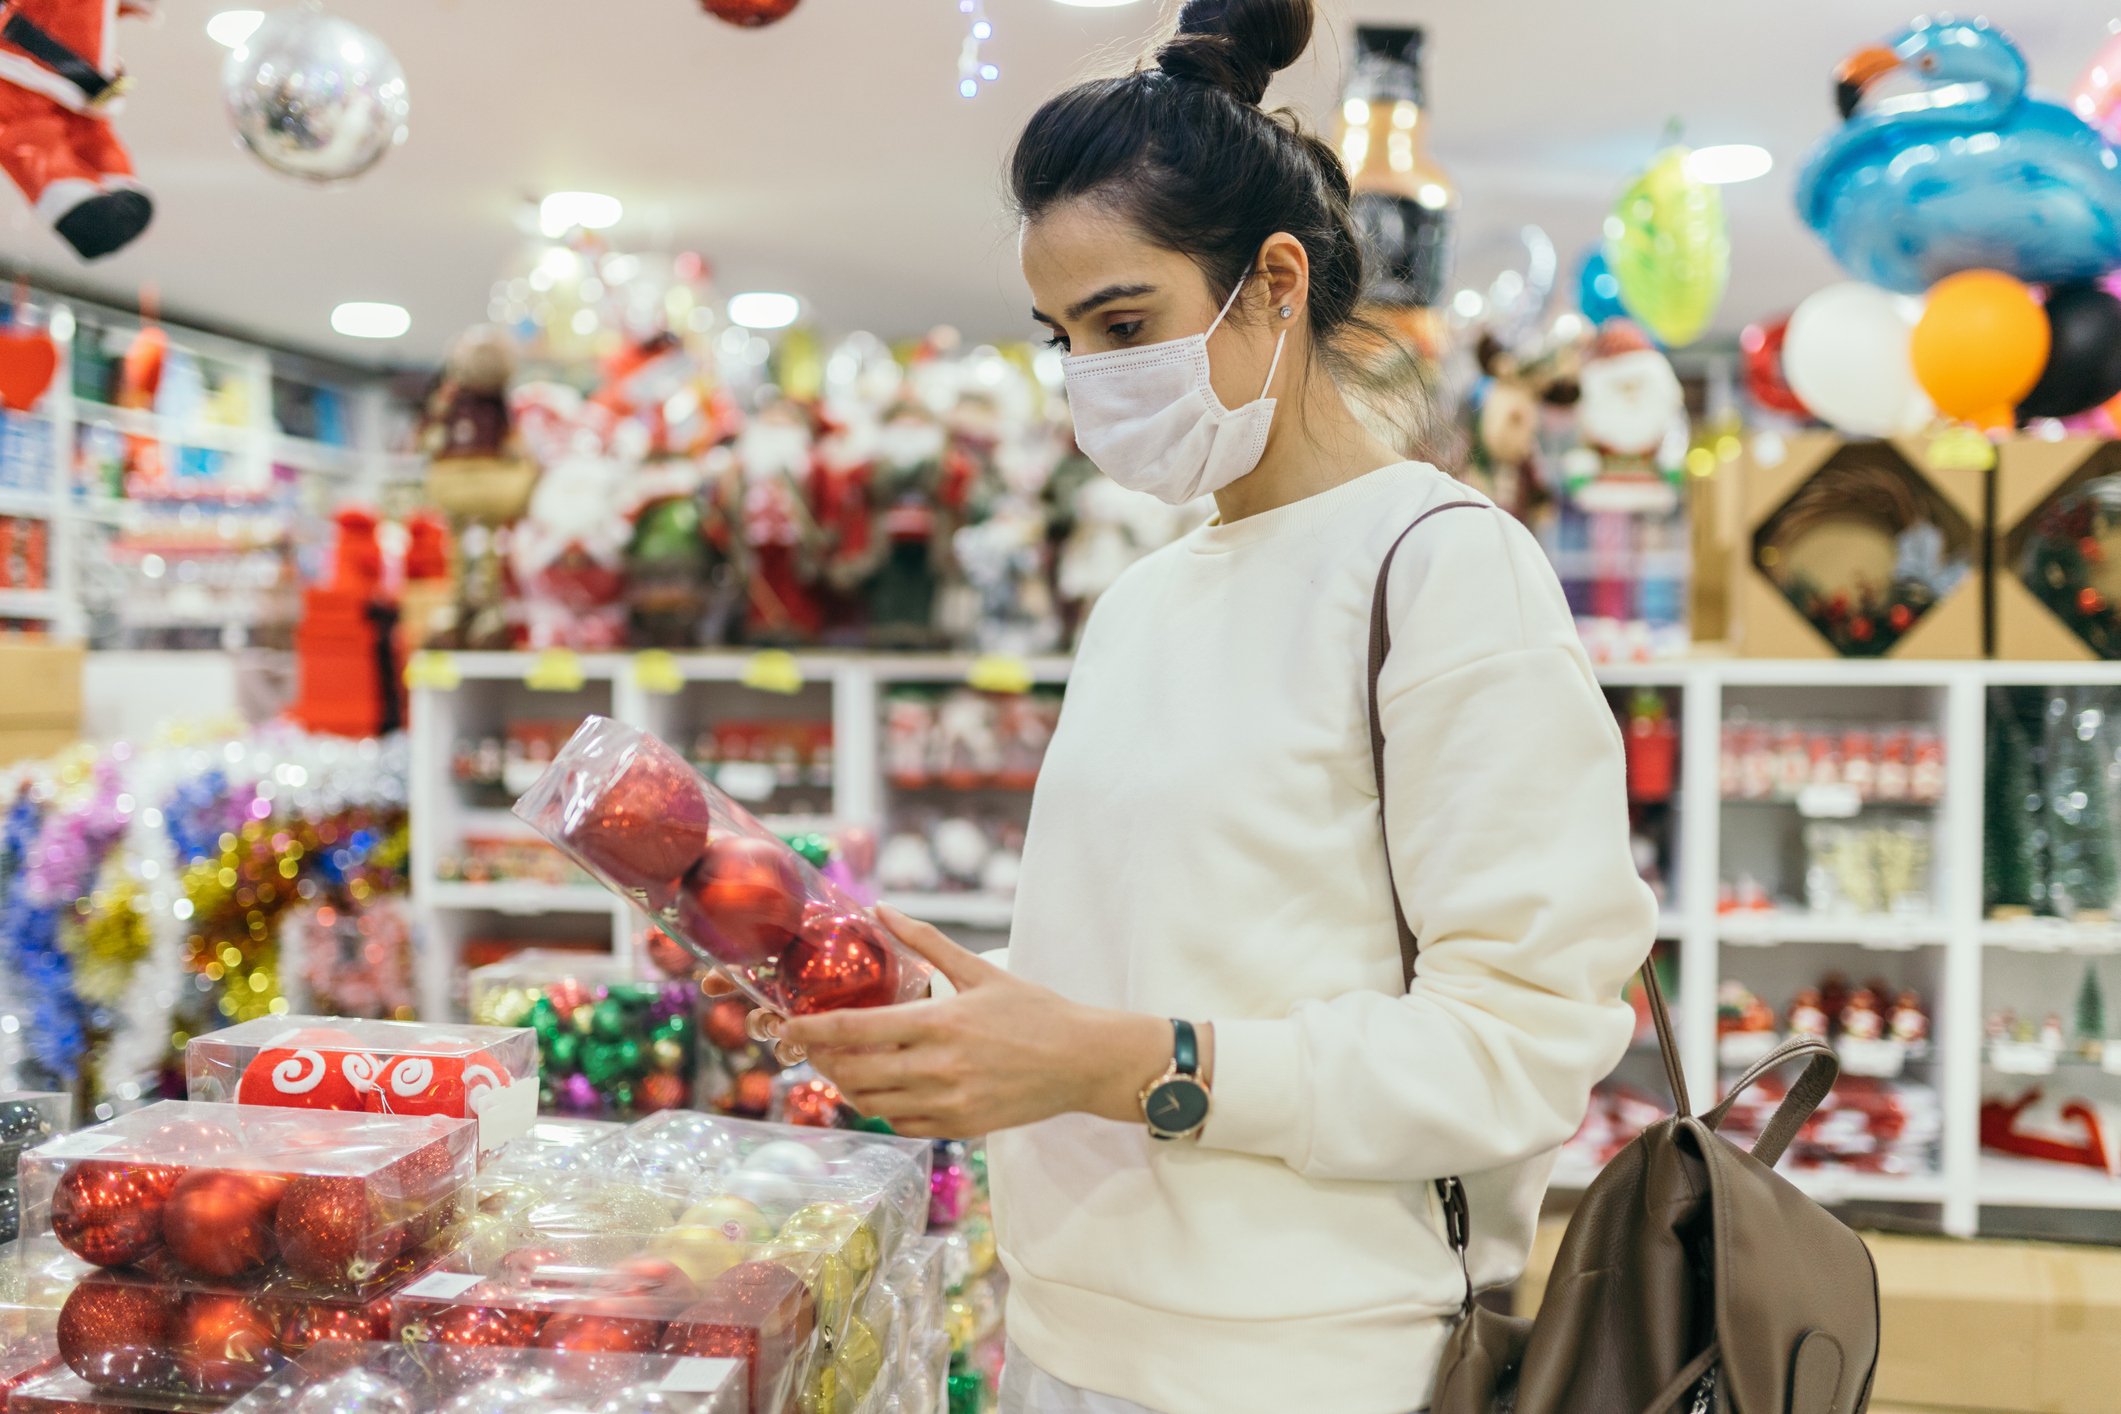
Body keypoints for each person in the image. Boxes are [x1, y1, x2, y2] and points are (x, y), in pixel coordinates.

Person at [766, 1, 1656, 1409]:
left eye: (1126, 321)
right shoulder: (1143, 597)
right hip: (1062, 1336)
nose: (1093, 380)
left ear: (1275, 283)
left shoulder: (1440, 571)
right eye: (1062, 336)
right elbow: (1172, 949)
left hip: (1313, 1360)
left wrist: (1130, 1064)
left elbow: (1518, 1046)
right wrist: (935, 1015)